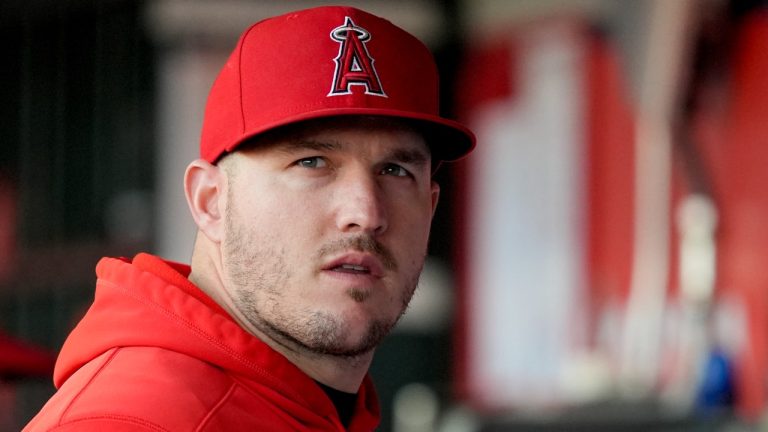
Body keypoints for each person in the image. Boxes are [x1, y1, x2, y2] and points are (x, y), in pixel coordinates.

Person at [24, 5, 474, 431]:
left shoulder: (303, 404)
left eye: (395, 170)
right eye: (312, 162)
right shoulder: (132, 420)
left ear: (431, 207)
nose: (366, 213)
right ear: (210, 201)